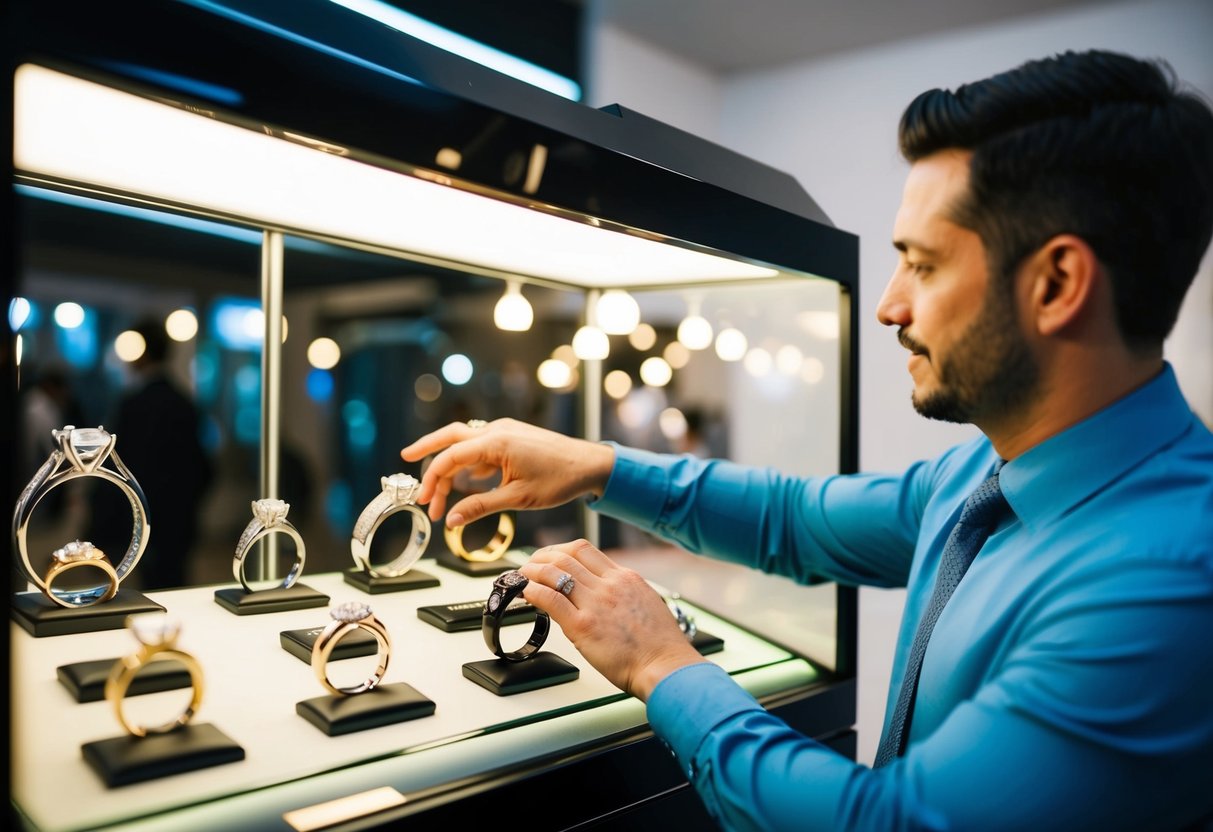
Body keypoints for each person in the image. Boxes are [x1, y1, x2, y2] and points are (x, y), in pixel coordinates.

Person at [401, 49, 1213, 830]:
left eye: (922, 267)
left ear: (1057, 284)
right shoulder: (985, 471)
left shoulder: (1166, 584)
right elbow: (795, 519)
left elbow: (888, 825)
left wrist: (659, 663)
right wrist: (595, 467)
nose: (889, 307)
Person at [89, 317, 213, 590]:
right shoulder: (184, 401)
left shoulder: (134, 404)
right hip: (179, 514)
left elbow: (122, 465)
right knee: (175, 584)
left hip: (143, 513)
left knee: (149, 587)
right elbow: (201, 465)